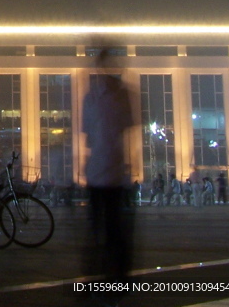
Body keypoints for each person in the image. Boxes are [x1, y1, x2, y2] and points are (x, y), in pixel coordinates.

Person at [82, 50, 136, 286]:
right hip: (109, 173)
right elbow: (126, 130)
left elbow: (89, 138)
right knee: (114, 229)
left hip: (102, 173)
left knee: (101, 229)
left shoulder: (92, 97)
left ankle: (103, 277)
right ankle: (115, 278)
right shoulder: (120, 96)